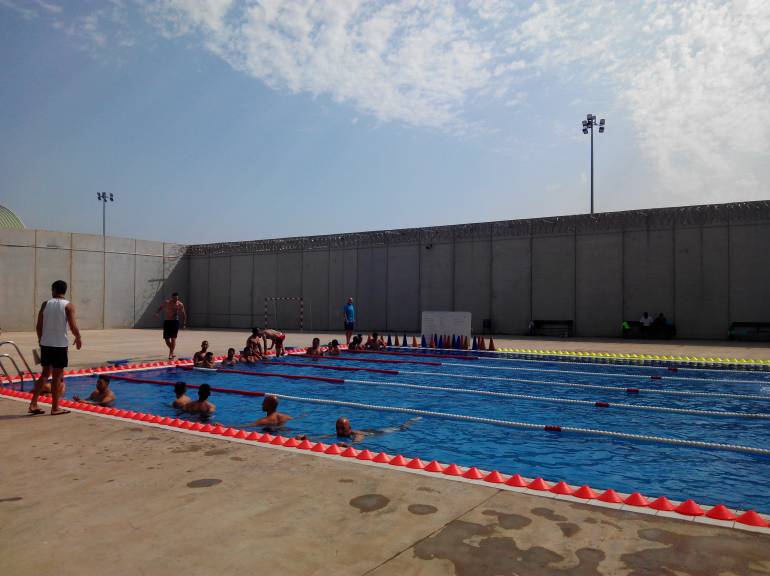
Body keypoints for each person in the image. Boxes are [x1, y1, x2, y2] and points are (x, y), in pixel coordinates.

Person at [28, 280, 82, 416]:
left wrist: (41, 340)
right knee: (57, 377)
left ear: (53, 290)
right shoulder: (68, 306)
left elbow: (38, 326)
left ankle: (33, 404)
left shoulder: (45, 304)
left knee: (45, 374)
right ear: (65, 290)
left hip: (46, 344)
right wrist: (78, 337)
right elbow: (72, 325)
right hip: (60, 345)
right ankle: (55, 407)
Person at [333, 416, 421, 446]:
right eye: (337, 428)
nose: (339, 431)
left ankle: (412, 421)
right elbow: (329, 435)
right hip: (369, 430)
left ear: (349, 429)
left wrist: (347, 445)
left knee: (401, 428)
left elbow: (357, 441)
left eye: (342, 428)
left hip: (379, 433)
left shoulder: (357, 434)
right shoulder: (341, 433)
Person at [155, 292, 186, 360]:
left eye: (177, 298)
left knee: (173, 338)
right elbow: (160, 307)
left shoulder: (180, 304)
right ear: (172, 297)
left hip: (175, 322)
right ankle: (172, 351)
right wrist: (157, 313)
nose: (175, 300)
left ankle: (170, 353)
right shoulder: (167, 302)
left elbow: (183, 314)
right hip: (167, 322)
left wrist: (184, 323)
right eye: (174, 298)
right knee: (166, 339)